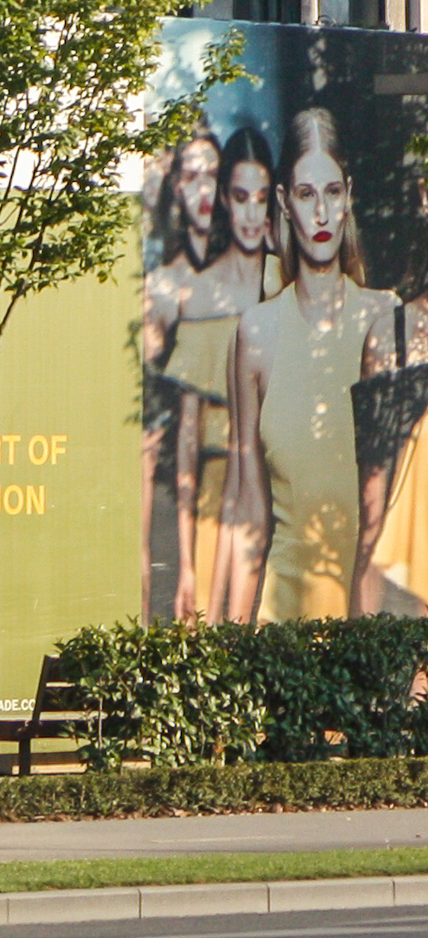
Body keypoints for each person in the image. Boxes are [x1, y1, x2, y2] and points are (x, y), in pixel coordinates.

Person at [224, 107, 397, 623]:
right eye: (305, 194)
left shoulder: (387, 318)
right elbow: (248, 509)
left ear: (349, 196)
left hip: (374, 625)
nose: (320, 213)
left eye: (332, 192)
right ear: (284, 201)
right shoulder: (256, 332)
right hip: (284, 622)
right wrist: (226, 650)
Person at [142, 123, 274, 620]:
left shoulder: (288, 285)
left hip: (283, 494)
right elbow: (187, 444)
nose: (250, 212)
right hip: (216, 501)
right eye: (241, 196)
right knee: (212, 639)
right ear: (226, 199)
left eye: (261, 197)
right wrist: (186, 568)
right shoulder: (197, 295)